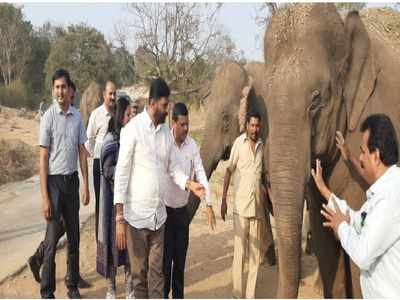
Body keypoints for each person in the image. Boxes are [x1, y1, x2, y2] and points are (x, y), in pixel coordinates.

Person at [113, 78, 206, 298]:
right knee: (139, 278)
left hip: (159, 219)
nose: (167, 110)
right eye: (165, 105)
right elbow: (122, 174)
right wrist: (119, 219)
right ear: (153, 102)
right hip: (136, 219)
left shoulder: (165, 133)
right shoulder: (132, 130)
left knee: (157, 277)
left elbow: (172, 169)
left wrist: (189, 183)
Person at [311, 114, 400, 298]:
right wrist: (325, 191)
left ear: (375, 157)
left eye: (362, 152)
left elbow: (363, 254)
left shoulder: (390, 197)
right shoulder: (381, 193)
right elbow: (358, 219)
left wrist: (341, 227)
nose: (360, 158)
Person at [28, 80, 91, 289]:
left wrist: (86, 185)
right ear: (54, 90)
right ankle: (47, 292)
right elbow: (43, 158)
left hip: (72, 182)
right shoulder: (48, 117)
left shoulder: (77, 117)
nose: (61, 91)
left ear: (69, 90)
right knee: (52, 241)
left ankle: (72, 286)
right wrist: (46, 198)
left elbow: (82, 151)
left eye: (64, 87)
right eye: (57, 87)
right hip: (54, 184)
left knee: (74, 237)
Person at [163, 102, 216, 299]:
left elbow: (201, 174)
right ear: (173, 122)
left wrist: (208, 203)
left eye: (188, 124)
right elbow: (172, 172)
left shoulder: (192, 145)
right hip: (164, 214)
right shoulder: (165, 143)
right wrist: (189, 184)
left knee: (179, 264)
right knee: (164, 266)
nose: (186, 129)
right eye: (182, 124)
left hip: (181, 214)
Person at [221, 111, 266, 299]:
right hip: (240, 209)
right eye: (252, 125)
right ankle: (237, 295)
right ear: (247, 125)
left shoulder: (263, 146)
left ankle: (250, 296)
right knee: (239, 255)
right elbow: (228, 171)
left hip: (257, 210)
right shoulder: (239, 143)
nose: (254, 129)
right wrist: (223, 199)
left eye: (257, 126)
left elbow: (263, 176)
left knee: (255, 258)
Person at [96, 97, 133, 298]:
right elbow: (107, 170)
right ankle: (111, 289)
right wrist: (126, 170)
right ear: (120, 116)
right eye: (128, 115)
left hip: (130, 203)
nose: (130, 118)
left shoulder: (131, 138)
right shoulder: (111, 139)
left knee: (129, 248)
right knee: (112, 247)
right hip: (111, 204)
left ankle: (129, 288)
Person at [85, 81, 116, 241]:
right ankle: (101, 240)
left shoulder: (117, 113)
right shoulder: (96, 115)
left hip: (115, 166)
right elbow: (87, 140)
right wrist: (97, 156)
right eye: (110, 94)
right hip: (99, 165)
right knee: (101, 203)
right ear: (104, 95)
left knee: (114, 203)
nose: (112, 97)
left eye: (114, 94)